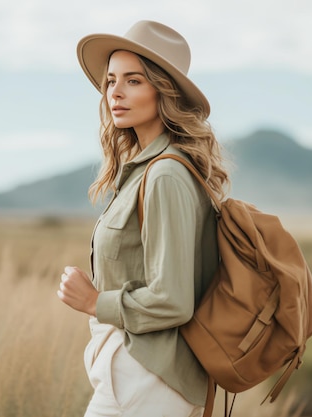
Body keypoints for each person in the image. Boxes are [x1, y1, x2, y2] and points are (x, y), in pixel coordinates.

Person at [57, 20, 229, 417]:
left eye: (133, 81)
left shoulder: (166, 174)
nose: (115, 92)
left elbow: (173, 300)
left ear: (163, 91)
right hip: (137, 371)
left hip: (149, 377)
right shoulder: (143, 170)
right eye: (111, 80)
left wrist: (94, 301)